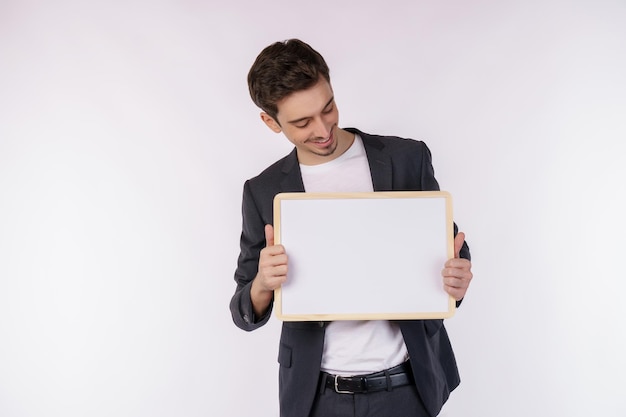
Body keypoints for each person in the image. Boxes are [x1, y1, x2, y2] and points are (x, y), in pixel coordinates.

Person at [230, 39, 473, 417]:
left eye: (328, 108)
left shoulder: (405, 159)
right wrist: (263, 282)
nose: (323, 128)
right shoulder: (263, 191)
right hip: (318, 396)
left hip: (409, 387)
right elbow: (243, 306)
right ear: (270, 121)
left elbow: (450, 252)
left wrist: (457, 278)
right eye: (302, 122)